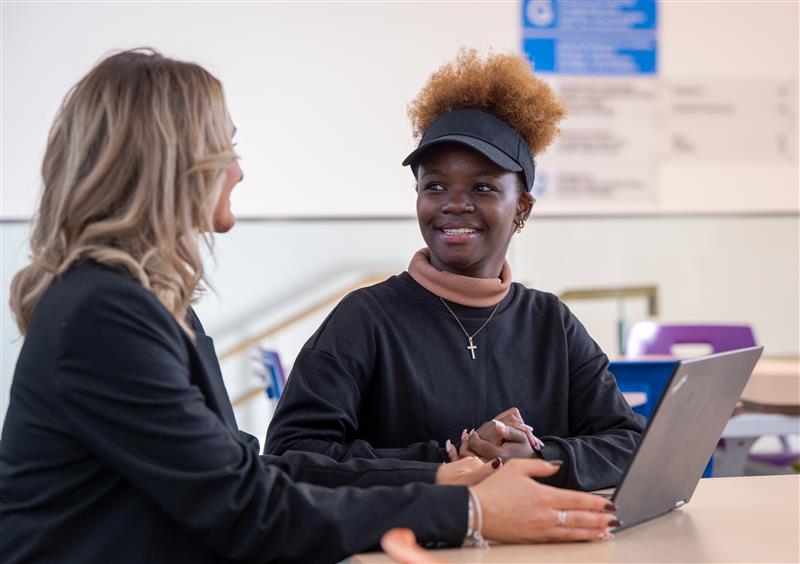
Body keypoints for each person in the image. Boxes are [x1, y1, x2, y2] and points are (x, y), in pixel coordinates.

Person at [0, 49, 619, 564]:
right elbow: (250, 504)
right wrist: (469, 508)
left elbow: (248, 472)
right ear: (171, 164)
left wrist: (442, 479)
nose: (238, 171)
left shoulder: (153, 309)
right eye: (227, 148)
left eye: (484, 187)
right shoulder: (106, 316)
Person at [266, 49, 645, 492]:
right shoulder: (364, 319)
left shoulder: (551, 324)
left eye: (482, 187)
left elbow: (630, 443)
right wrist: (446, 463)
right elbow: (290, 456)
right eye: (436, 185)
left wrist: (541, 457)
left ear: (522, 206)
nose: (454, 204)